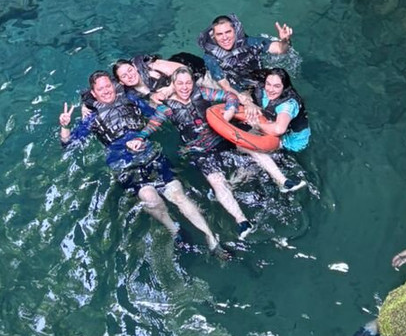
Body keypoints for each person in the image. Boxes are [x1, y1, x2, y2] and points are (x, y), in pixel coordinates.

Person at [59, 71, 223, 255]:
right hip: (124, 163)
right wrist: (65, 126)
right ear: (94, 93)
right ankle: (175, 230)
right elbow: (69, 144)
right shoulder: (91, 118)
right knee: (149, 197)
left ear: (113, 86)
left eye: (108, 86)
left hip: (149, 152)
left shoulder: (131, 100)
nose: (106, 91)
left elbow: (157, 114)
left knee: (178, 195)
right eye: (100, 89)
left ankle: (211, 238)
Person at [152, 67, 255, 238]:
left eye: (188, 83)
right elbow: (151, 125)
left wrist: (229, 112)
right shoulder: (167, 108)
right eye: (180, 84)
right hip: (200, 150)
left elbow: (230, 96)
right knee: (216, 182)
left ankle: (234, 184)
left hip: (221, 138)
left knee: (249, 168)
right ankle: (242, 220)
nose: (185, 87)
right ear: (173, 85)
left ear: (193, 83)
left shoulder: (202, 93)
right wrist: (139, 138)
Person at [197, 15, 298, 110]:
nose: (224, 38)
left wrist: (285, 40)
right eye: (219, 34)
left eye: (228, 32)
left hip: (256, 78)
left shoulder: (250, 43)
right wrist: (248, 103)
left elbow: (280, 49)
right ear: (214, 36)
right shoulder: (211, 57)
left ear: (235, 31)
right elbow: (225, 85)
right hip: (236, 87)